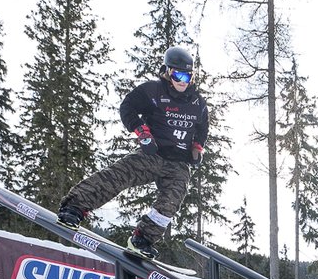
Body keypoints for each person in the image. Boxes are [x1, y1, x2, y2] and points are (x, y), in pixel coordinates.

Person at [55, 45, 209, 260]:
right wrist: (142, 133)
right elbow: (127, 108)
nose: (183, 81)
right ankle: (74, 207)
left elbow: (202, 128)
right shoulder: (153, 91)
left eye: (188, 76)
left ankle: (143, 238)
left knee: (171, 202)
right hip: (154, 155)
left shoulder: (198, 103)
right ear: (167, 72)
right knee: (120, 175)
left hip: (179, 164)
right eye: (178, 75)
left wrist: (197, 148)